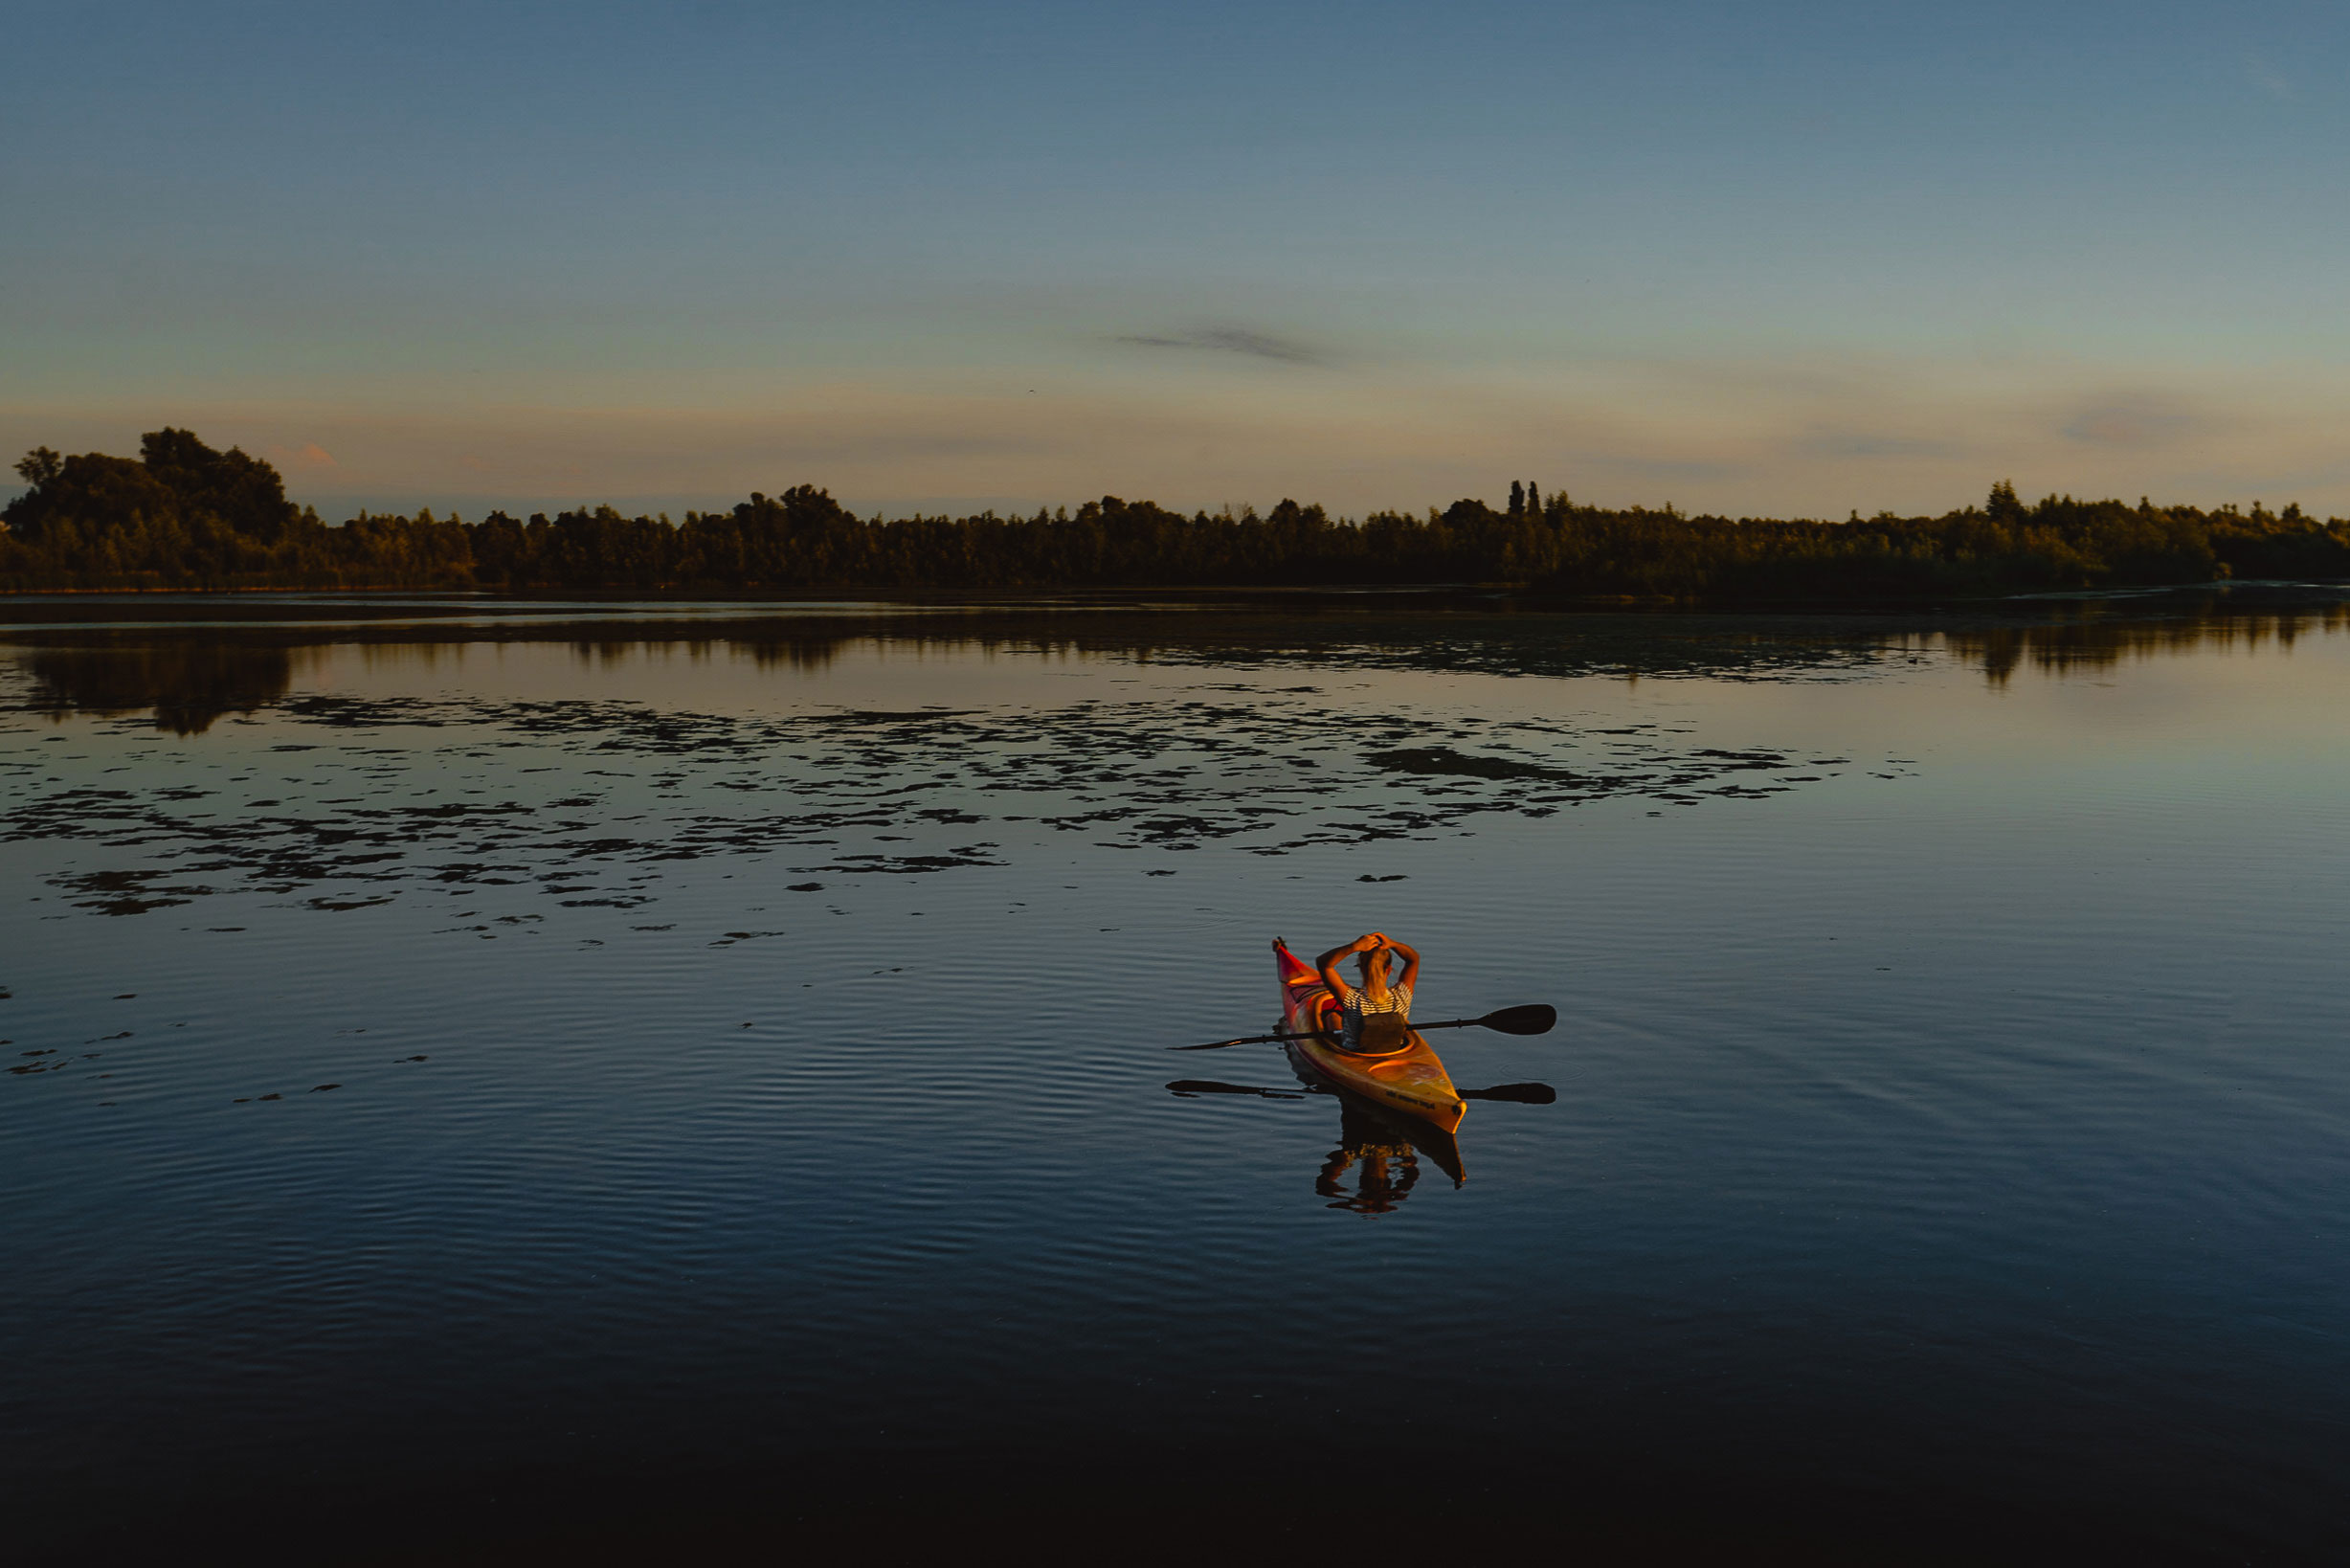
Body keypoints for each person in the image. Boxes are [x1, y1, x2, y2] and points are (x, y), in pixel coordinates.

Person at [1313, 931, 1421, 1053]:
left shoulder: (1352, 999)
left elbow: (1323, 964)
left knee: (1332, 1015)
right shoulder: (1402, 996)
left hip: (1356, 1053)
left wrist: (1353, 947)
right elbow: (1413, 959)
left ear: (1362, 969)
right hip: (1395, 1050)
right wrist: (1393, 944)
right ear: (1389, 970)